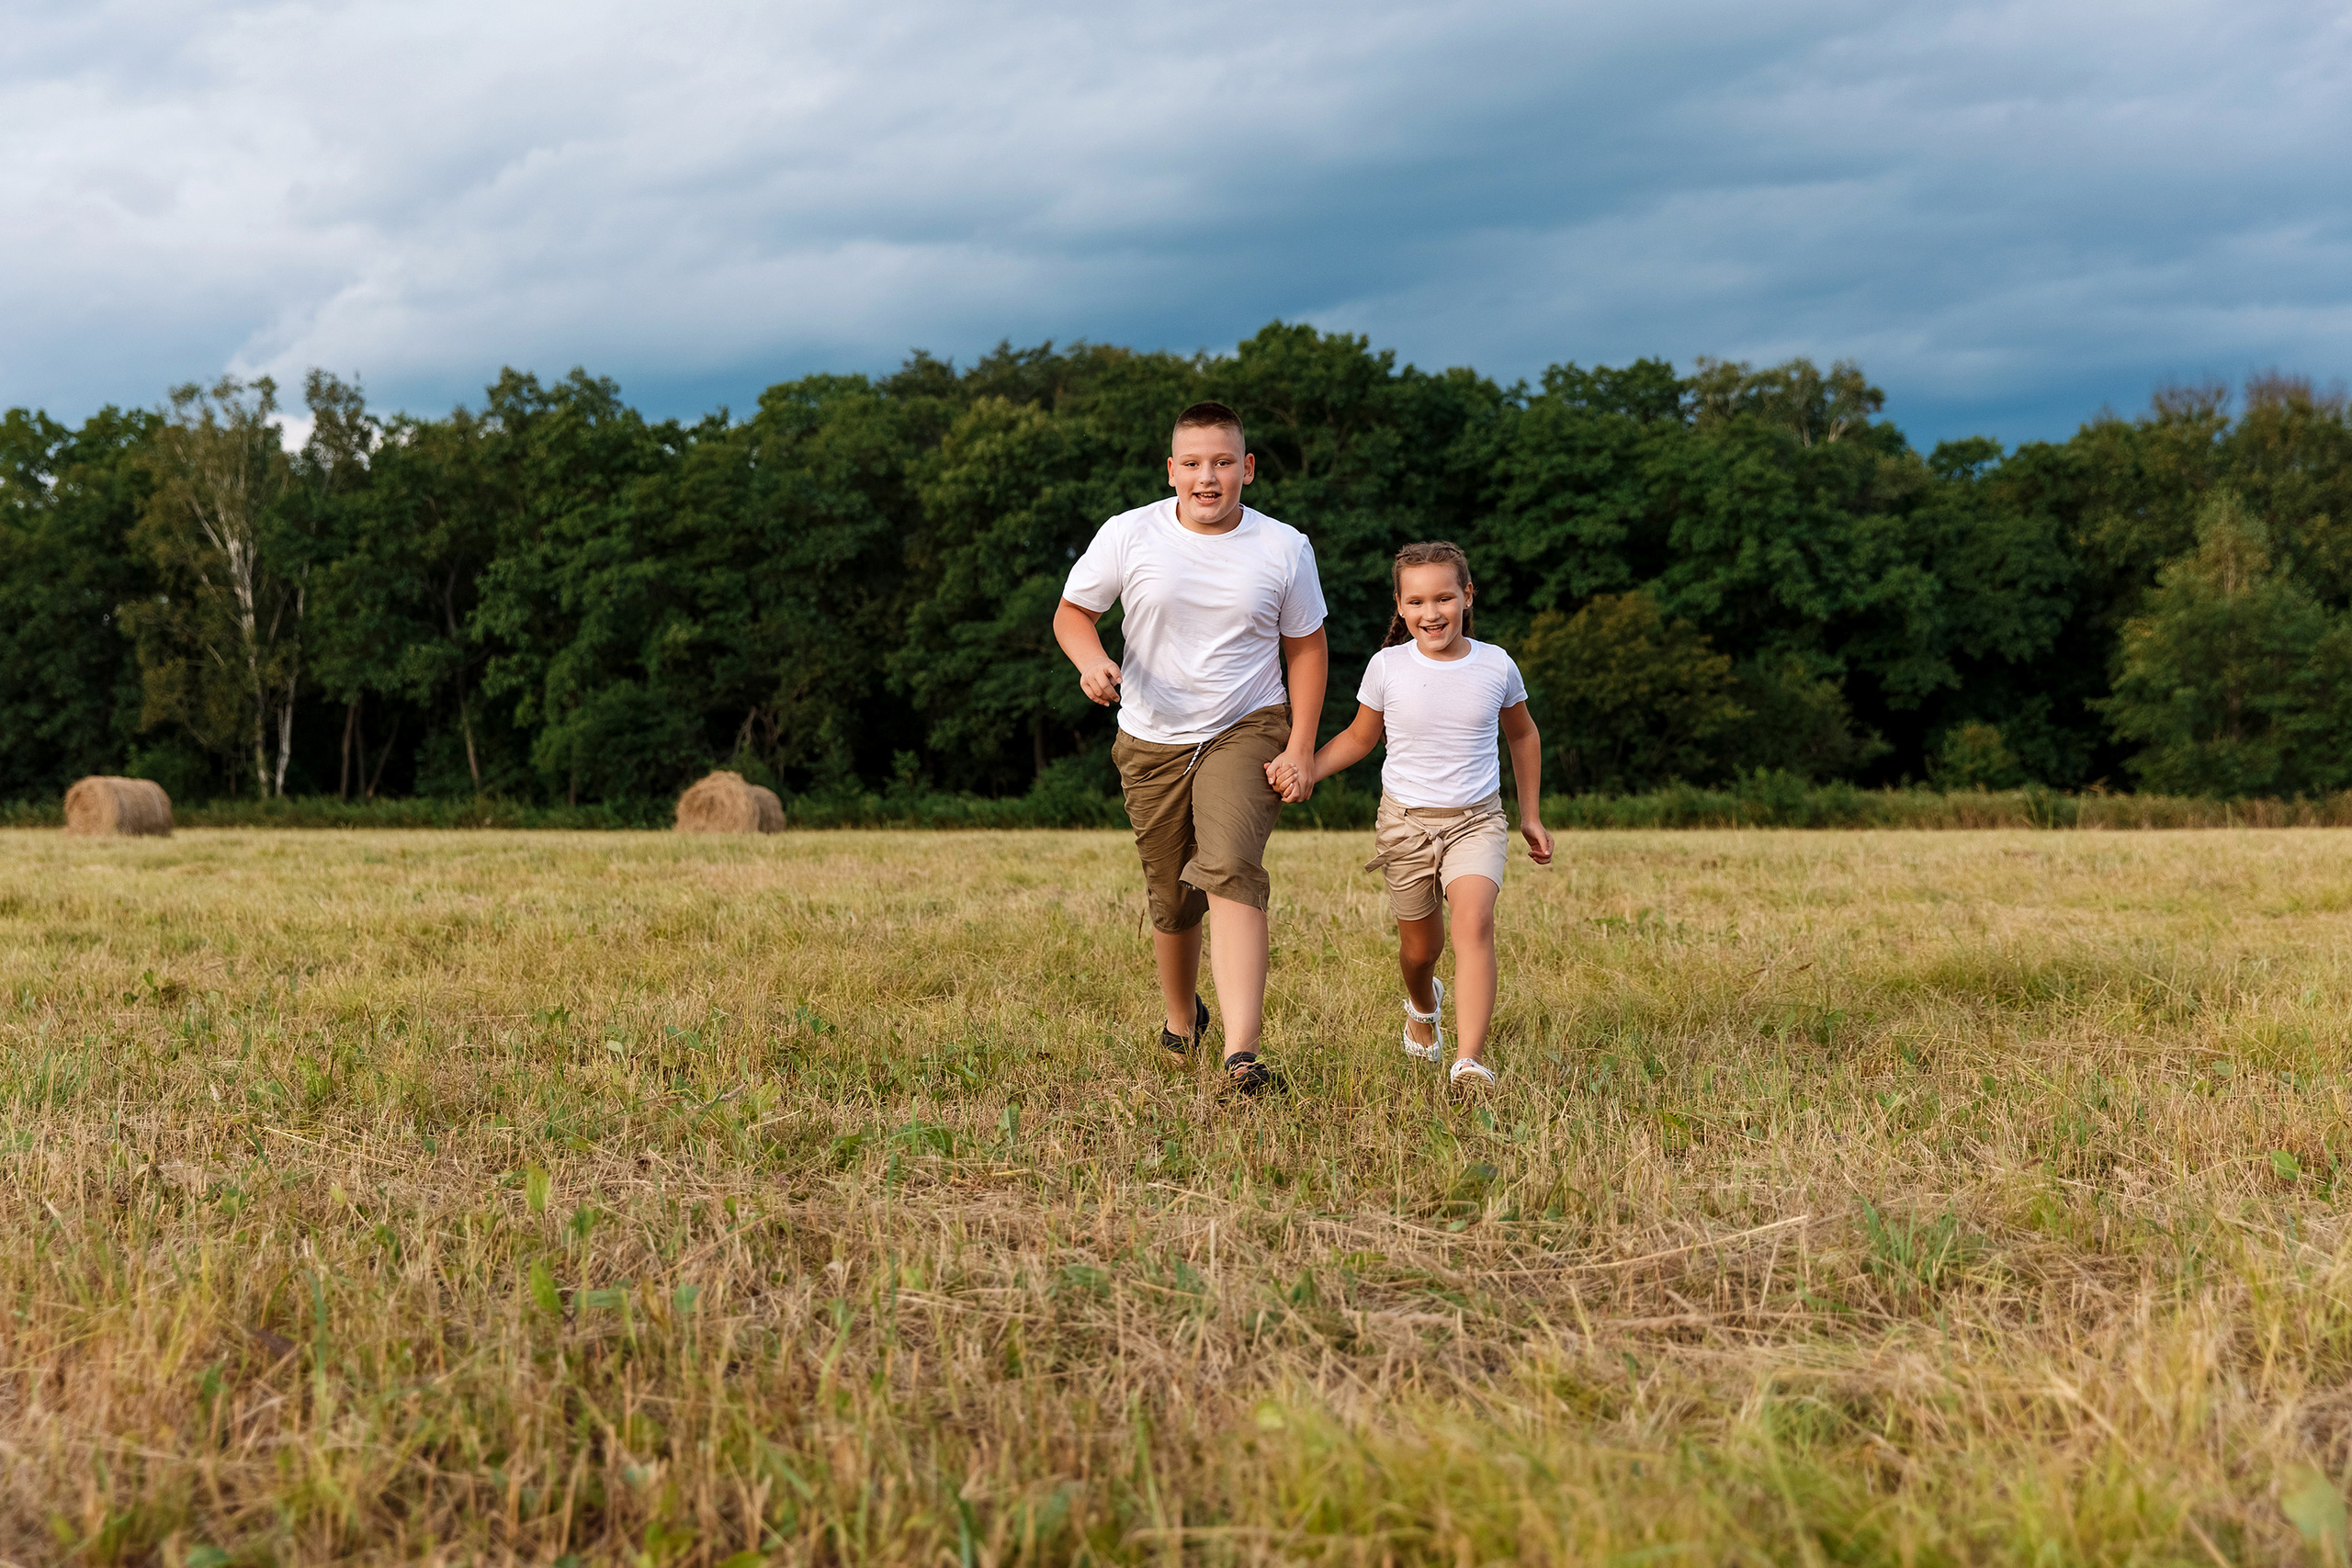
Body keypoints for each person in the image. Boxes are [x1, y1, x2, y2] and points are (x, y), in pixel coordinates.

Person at [1053, 400, 1329, 1096]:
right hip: (1151, 736)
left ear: (1249, 469)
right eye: (1195, 464)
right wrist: (1090, 661)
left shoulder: (1284, 547)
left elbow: (1307, 648)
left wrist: (1300, 745)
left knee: (1231, 865)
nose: (1209, 477)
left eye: (1224, 462)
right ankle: (1183, 1020)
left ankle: (1243, 1054)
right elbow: (1073, 613)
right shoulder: (1129, 534)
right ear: (1171, 470)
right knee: (1173, 898)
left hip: (1248, 724)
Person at [1269, 540, 1552, 1088]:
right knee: (1421, 950)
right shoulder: (1386, 667)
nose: (1431, 613)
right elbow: (1358, 738)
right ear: (1399, 606)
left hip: (1477, 820)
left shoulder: (1496, 664)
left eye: (1444, 598)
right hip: (1404, 824)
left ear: (1467, 597)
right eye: (1417, 602)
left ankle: (1469, 1060)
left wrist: (1530, 815)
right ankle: (1423, 1006)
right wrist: (1303, 767)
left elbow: (1523, 734)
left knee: (1474, 923)